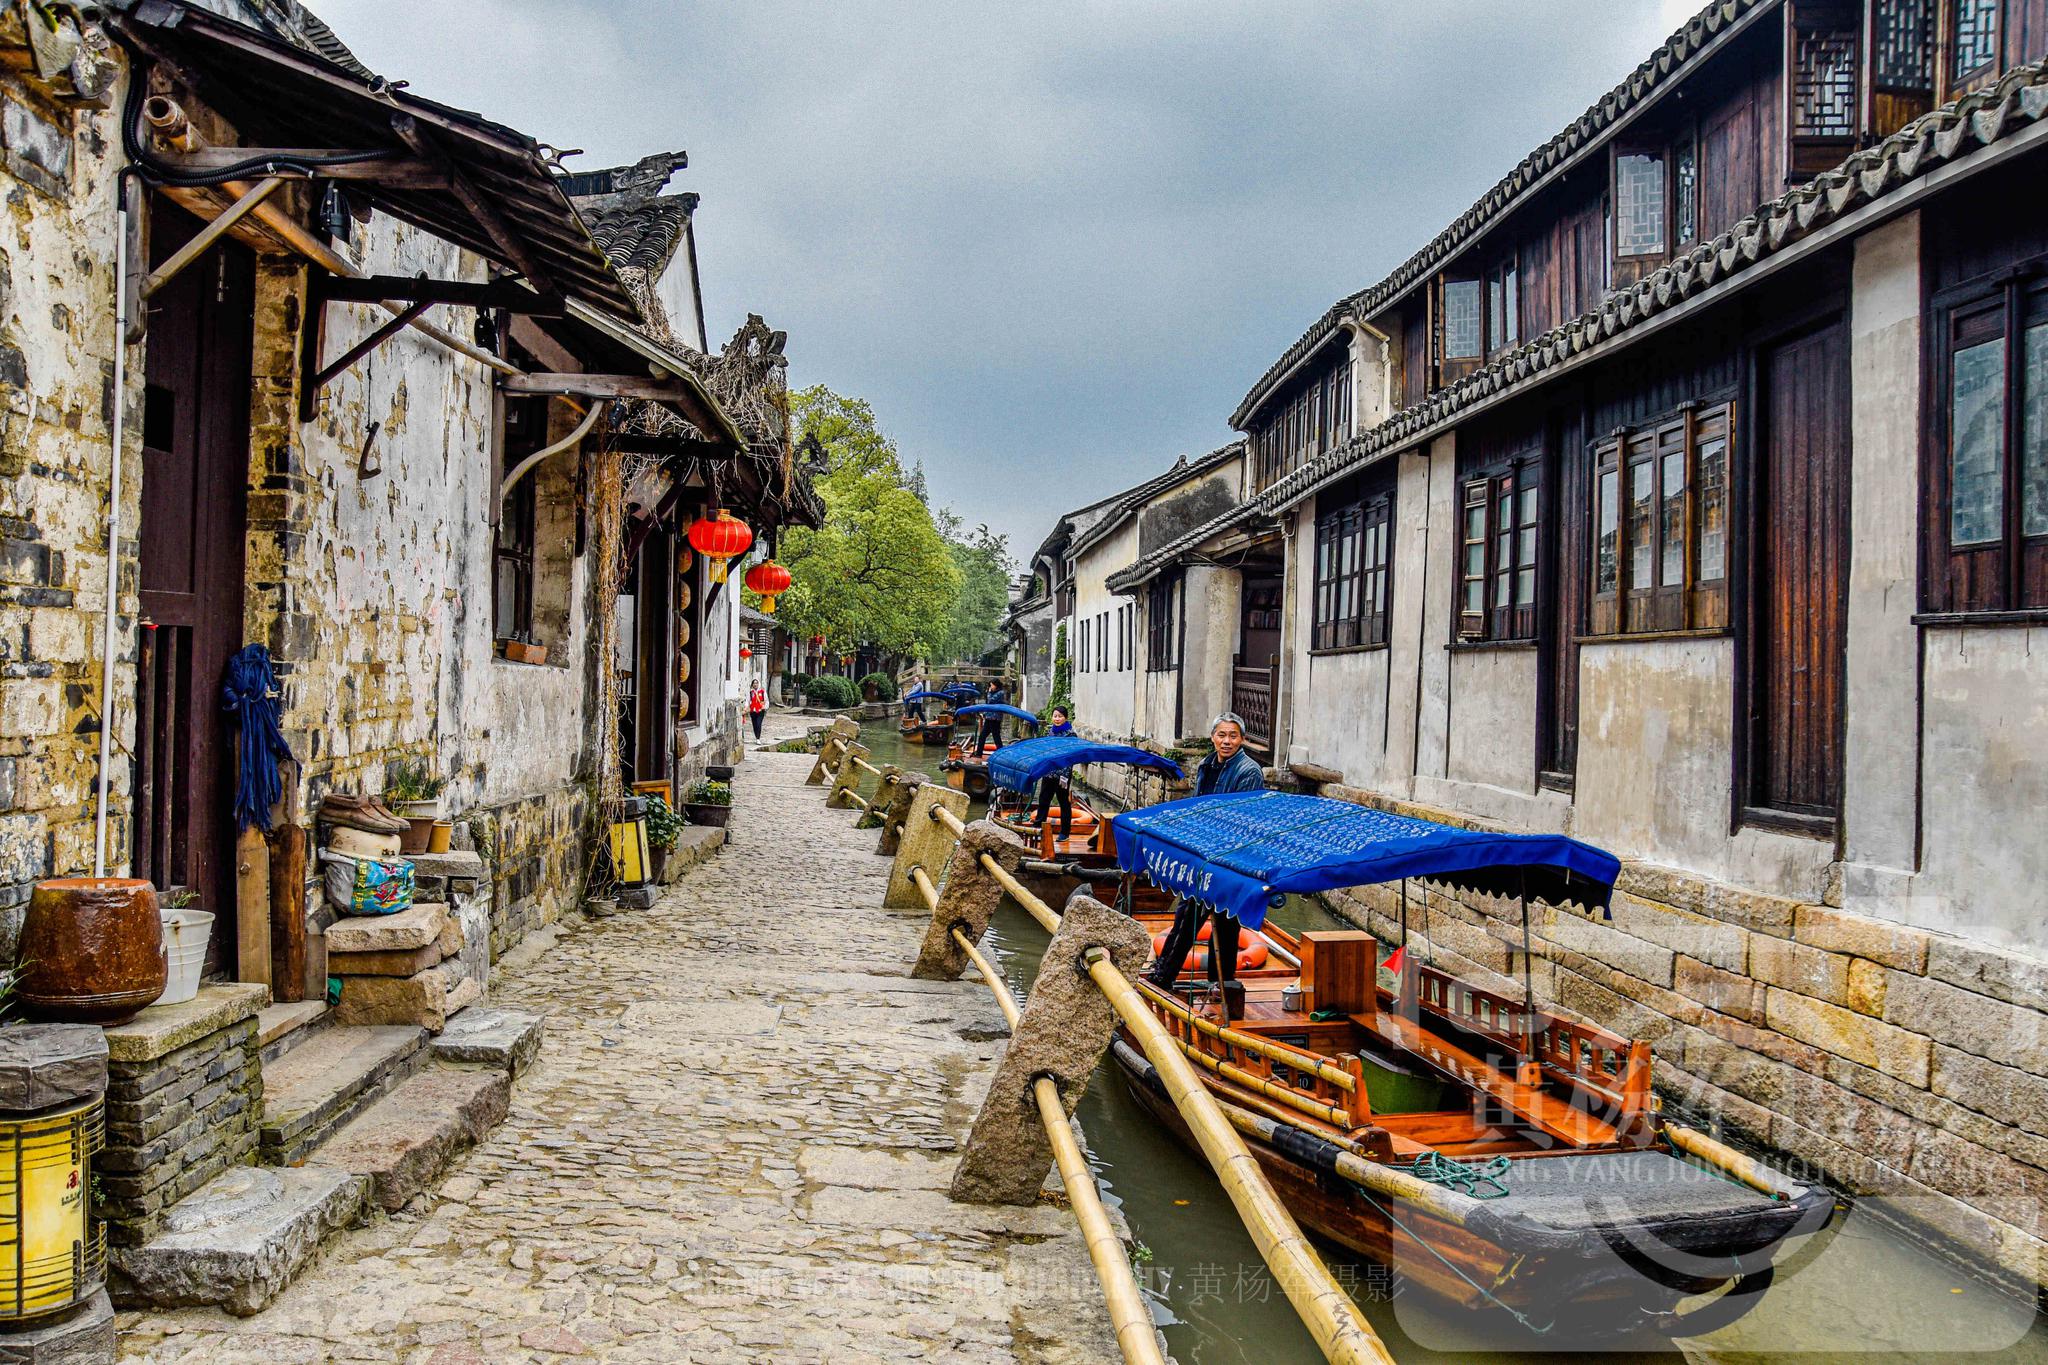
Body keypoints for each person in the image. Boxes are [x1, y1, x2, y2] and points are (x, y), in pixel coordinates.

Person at [1144, 712, 1264, 1009]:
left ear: (1242, 739)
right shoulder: (1206, 765)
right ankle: (1164, 976)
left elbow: (1243, 819)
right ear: (1213, 737)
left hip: (1230, 861)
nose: (1226, 741)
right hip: (1203, 856)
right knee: (1186, 918)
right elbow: (1197, 805)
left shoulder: (1249, 772)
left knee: (1225, 925)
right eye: (1222, 735)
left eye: (1233, 736)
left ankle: (1218, 986)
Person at [1031, 705, 1076, 839]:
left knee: (1064, 802)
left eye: (1060, 716)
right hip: (1048, 773)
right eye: (1055, 716)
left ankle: (1064, 833)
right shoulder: (1049, 732)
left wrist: (1064, 775)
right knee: (1044, 800)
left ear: (1065, 718)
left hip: (1063, 775)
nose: (1057, 719)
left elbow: (1071, 757)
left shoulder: (1071, 735)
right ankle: (1038, 828)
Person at [976, 678, 1010, 752]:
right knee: (982, 736)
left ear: (996, 685)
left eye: (992, 685)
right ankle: (978, 753)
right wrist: (984, 714)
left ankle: (1000, 753)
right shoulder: (993, 692)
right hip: (989, 718)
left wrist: (989, 692)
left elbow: (991, 701)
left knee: (996, 737)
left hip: (995, 719)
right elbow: (988, 705)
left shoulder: (1000, 693)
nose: (990, 687)